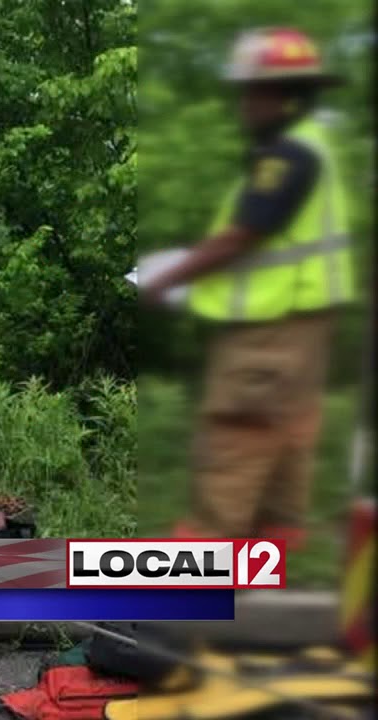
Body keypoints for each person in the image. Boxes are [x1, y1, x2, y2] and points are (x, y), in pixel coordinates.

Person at [140, 28, 357, 548]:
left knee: (234, 444)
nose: (242, 104)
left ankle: (193, 591)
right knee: (286, 454)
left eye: (250, 92)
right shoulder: (314, 147)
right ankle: (261, 583)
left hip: (268, 335)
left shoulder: (287, 157)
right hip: (303, 329)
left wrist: (164, 278)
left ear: (283, 94)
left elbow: (240, 236)